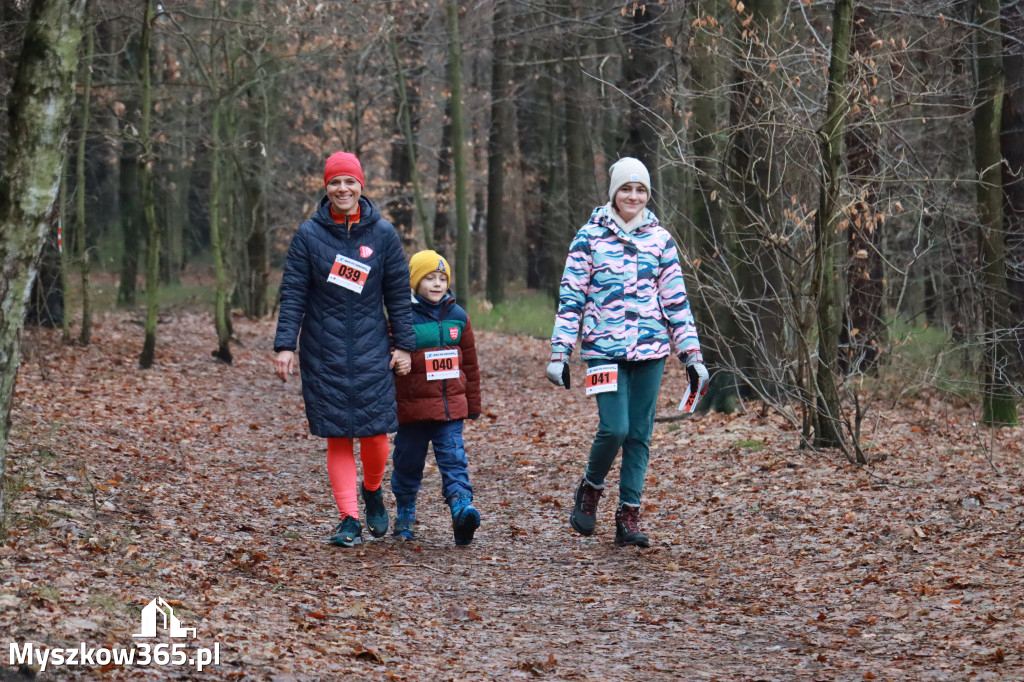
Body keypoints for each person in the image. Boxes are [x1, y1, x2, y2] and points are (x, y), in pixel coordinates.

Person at [546, 157, 708, 548]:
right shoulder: (589, 238)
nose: (633, 196)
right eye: (626, 189)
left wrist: (692, 356)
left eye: (640, 190)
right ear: (613, 193)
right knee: (614, 428)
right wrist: (560, 351)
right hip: (603, 351)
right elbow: (572, 298)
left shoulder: (661, 240)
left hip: (651, 352)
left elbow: (676, 302)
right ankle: (591, 485)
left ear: (647, 195)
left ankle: (628, 514)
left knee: (639, 434)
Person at [274, 151, 415, 548]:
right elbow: (294, 293)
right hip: (324, 350)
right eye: (335, 182)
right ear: (326, 187)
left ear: (361, 186)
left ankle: (372, 490)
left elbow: (398, 296)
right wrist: (286, 345)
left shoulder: (384, 234)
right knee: (338, 436)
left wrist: (404, 345)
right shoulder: (308, 235)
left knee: (374, 435)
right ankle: (348, 517)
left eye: (349, 182)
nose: (342, 189)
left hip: (373, 348)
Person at [390, 250, 482, 545]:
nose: (437, 284)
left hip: (449, 408)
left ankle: (461, 509)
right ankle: (405, 512)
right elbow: (387, 355)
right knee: (408, 462)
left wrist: (473, 404)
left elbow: (470, 364)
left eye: (442, 278)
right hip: (412, 409)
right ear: (415, 282)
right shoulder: (401, 317)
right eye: (429, 278)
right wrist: (398, 362)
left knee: (454, 459)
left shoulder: (458, 316)